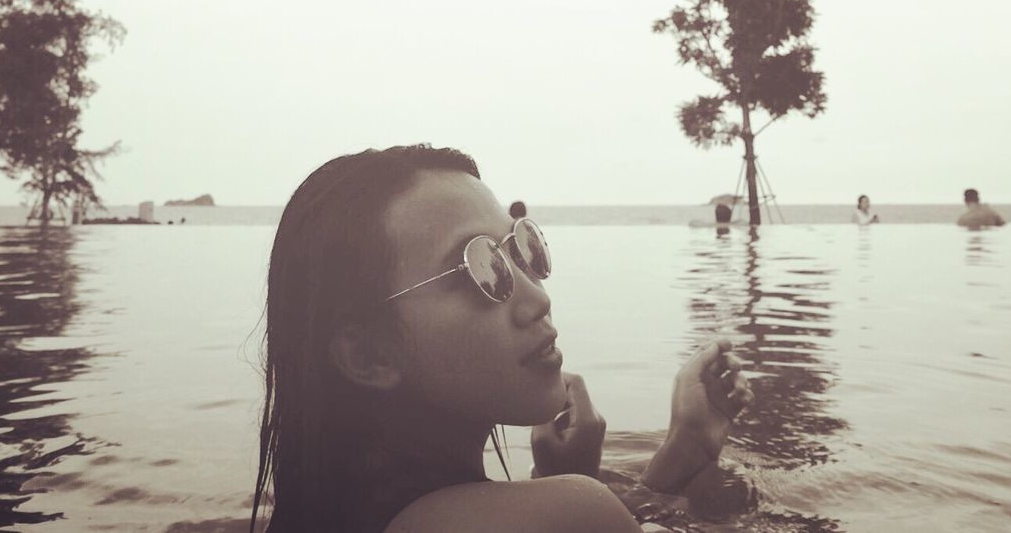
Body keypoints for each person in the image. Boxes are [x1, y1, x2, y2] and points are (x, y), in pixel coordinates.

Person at [250, 145, 752, 533]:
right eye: (481, 269)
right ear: (368, 355)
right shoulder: (569, 514)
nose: (537, 298)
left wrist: (683, 447)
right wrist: (577, 492)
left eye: (523, 250)